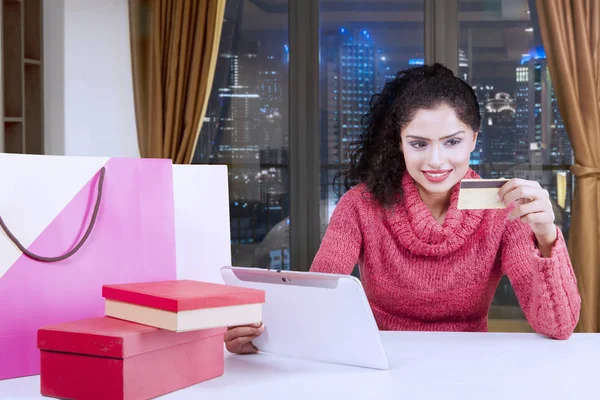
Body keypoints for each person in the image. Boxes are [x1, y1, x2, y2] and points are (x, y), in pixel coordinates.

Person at [224, 63, 581, 354]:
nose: (436, 160)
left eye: (453, 142)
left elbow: (559, 325)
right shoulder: (360, 205)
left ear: (474, 138)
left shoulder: (504, 209)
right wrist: (264, 333)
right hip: (381, 360)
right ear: (400, 143)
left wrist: (547, 237)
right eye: (419, 143)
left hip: (471, 365)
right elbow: (322, 298)